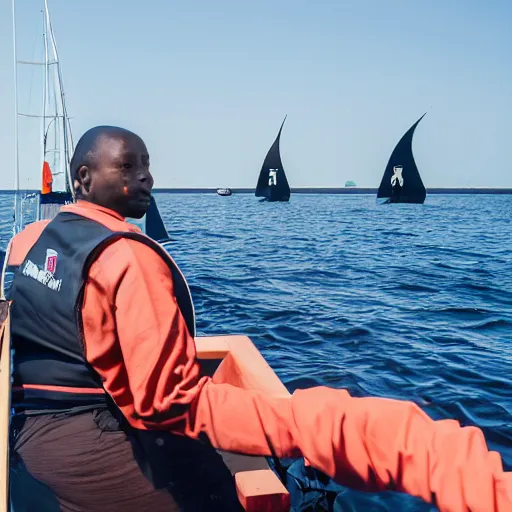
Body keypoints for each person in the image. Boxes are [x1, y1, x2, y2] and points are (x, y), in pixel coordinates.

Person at [4, 126, 511, 512]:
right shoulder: (129, 259)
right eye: (127, 166)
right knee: (217, 488)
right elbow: (167, 403)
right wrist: (306, 427)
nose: (145, 177)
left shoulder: (30, 241)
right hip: (97, 444)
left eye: (147, 166)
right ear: (84, 178)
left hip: (32, 438)